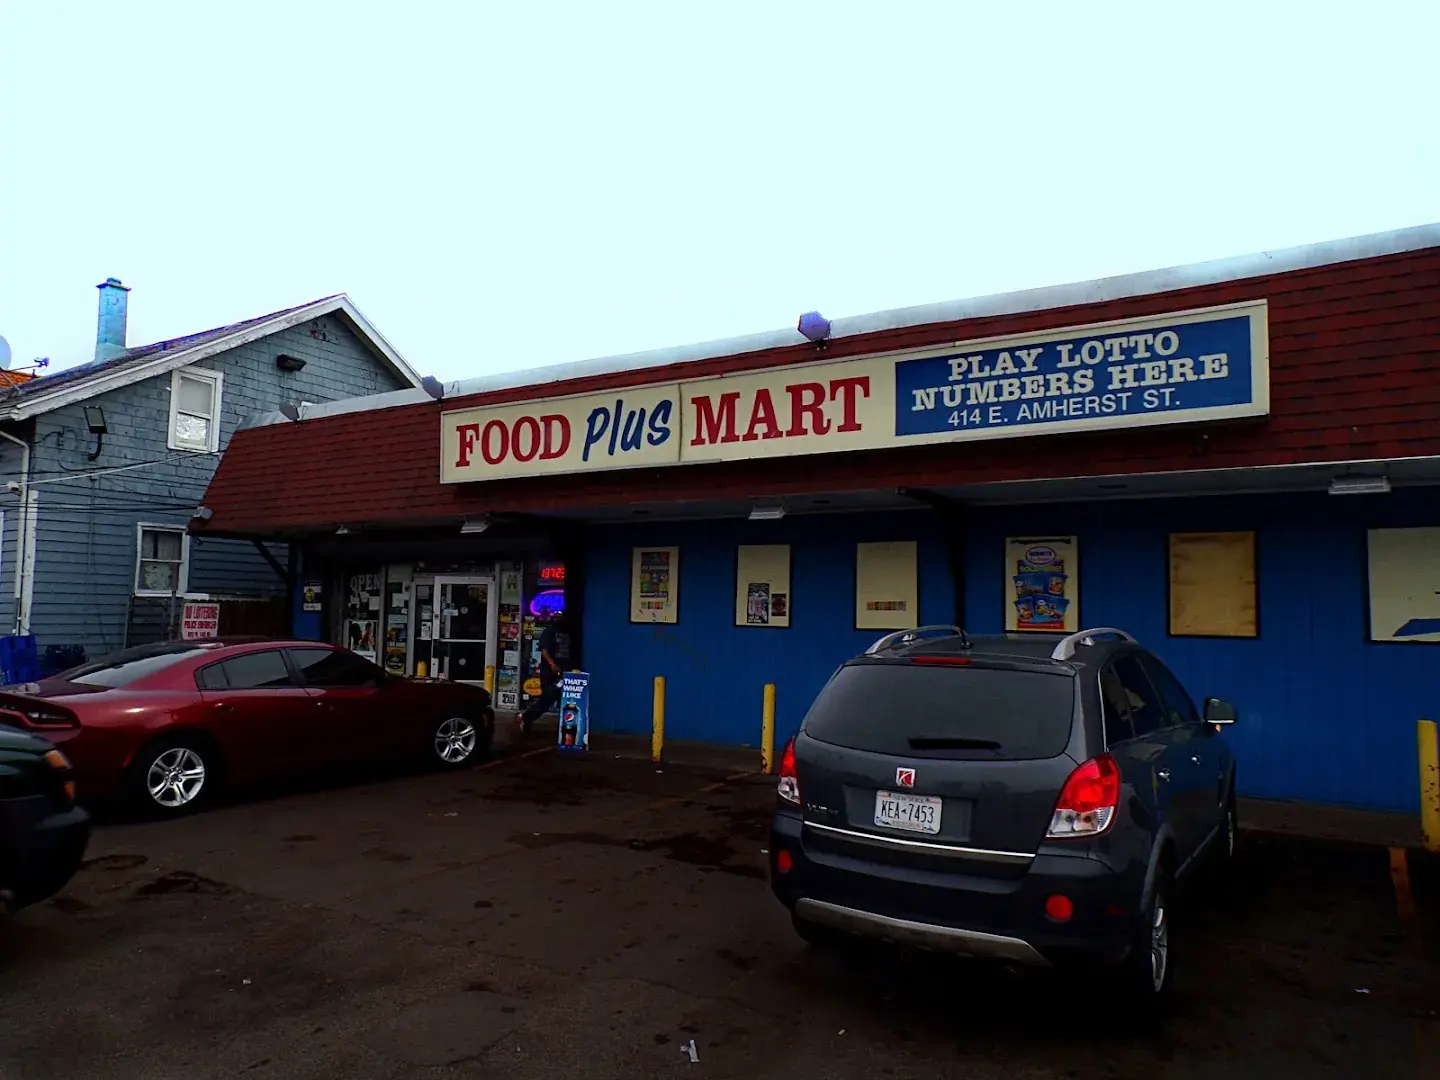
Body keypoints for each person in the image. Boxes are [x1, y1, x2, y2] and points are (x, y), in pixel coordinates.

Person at [520, 611, 571, 734]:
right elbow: (544, 649)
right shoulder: (549, 631)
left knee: (563, 699)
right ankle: (527, 717)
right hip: (549, 671)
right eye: (557, 616)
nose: (560, 618)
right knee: (548, 698)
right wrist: (552, 664)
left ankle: (566, 727)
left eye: (562, 615)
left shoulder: (567, 632)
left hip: (564, 670)